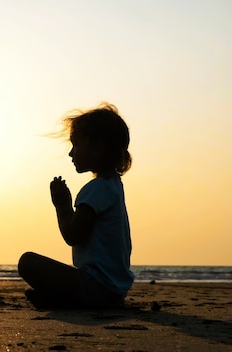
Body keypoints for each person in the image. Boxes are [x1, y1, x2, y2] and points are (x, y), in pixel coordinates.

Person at [18, 103, 134, 309]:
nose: (71, 154)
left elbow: (72, 234)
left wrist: (61, 205)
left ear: (98, 147)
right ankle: (60, 299)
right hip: (114, 289)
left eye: (76, 145)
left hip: (97, 287)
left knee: (27, 262)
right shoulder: (114, 187)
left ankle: (70, 301)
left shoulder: (97, 189)